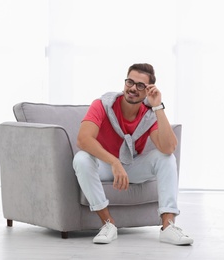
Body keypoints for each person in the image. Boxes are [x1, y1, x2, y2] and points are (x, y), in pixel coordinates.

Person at [72, 63, 193, 245]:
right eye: (130, 82)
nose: (133, 88)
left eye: (140, 86)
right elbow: (83, 139)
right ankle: (108, 224)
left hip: (132, 165)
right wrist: (114, 162)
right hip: (106, 164)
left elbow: (168, 147)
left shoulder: (148, 114)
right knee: (81, 159)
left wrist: (158, 106)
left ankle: (168, 227)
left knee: (166, 158)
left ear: (148, 90)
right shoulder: (103, 105)